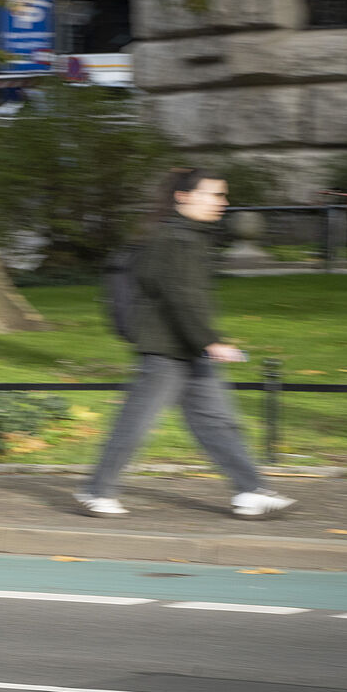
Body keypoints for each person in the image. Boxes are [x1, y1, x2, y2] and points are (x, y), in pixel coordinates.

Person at [76, 168, 297, 520]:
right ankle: (95, 490)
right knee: (136, 422)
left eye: (223, 195)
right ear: (184, 197)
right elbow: (180, 298)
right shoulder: (176, 239)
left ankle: (250, 490)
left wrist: (204, 342)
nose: (221, 202)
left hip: (187, 348)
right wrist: (210, 341)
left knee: (216, 421)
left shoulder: (188, 236)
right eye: (213, 194)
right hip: (165, 349)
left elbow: (186, 298)